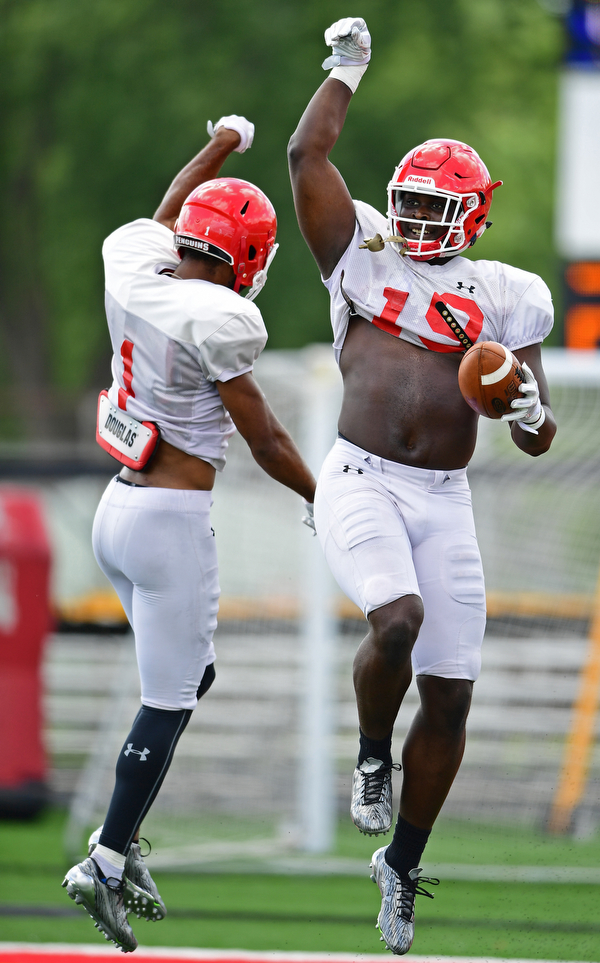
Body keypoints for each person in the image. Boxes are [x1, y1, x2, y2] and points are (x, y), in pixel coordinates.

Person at [288, 17, 557, 956]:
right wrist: (345, 71)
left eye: (438, 208)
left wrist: (526, 403)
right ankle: (371, 761)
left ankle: (400, 862)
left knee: (449, 699)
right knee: (393, 621)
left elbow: (535, 434)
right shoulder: (358, 253)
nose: (415, 220)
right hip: (359, 477)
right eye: (407, 200)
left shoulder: (507, 291)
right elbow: (305, 155)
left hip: (444, 499)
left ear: (475, 216)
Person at [62, 114, 316, 953]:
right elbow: (267, 438)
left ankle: (122, 832)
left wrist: (217, 149)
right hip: (171, 522)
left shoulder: (134, 265)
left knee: (189, 674)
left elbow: (167, 210)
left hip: (116, 511)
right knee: (167, 699)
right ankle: (104, 856)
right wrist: (325, 498)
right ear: (248, 259)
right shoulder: (224, 319)